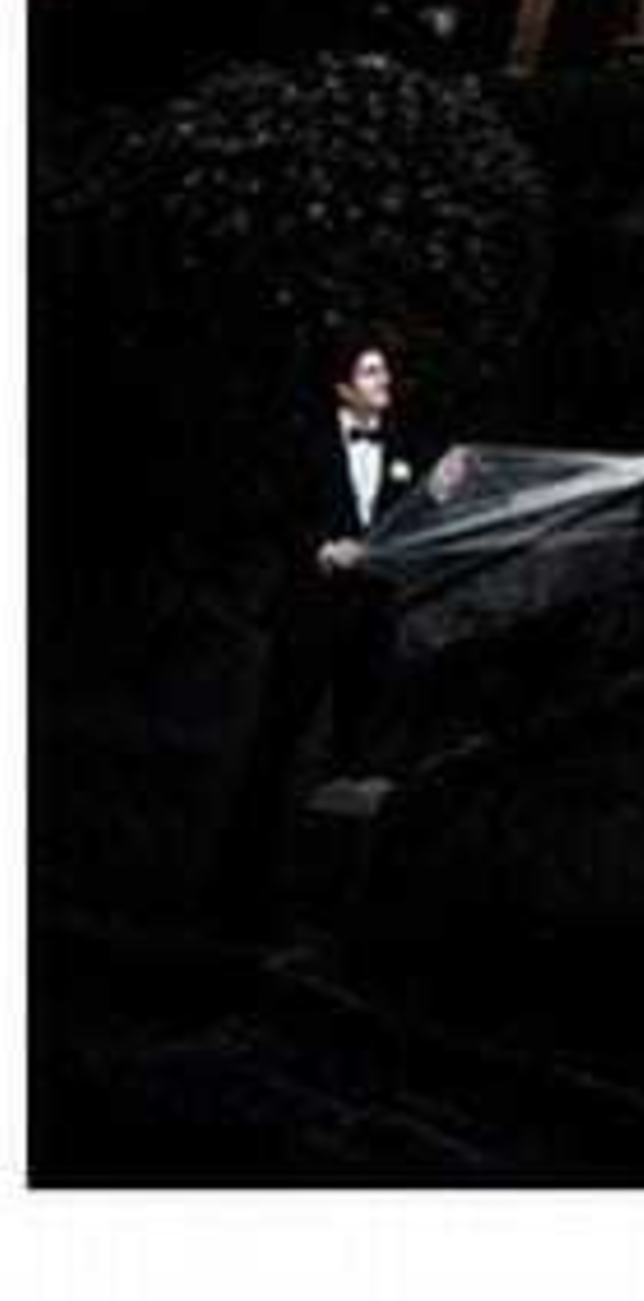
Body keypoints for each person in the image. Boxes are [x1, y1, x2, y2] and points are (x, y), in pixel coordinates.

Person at [216, 329, 425, 922]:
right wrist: (318, 549)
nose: (384, 381)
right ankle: (237, 884)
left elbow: (414, 515)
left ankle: (328, 899)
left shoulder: (406, 444)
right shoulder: (305, 445)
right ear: (342, 387)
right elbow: (274, 512)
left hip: (372, 622)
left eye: (385, 371)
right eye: (371, 372)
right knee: (275, 745)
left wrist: (443, 485)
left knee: (355, 757)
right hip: (311, 615)